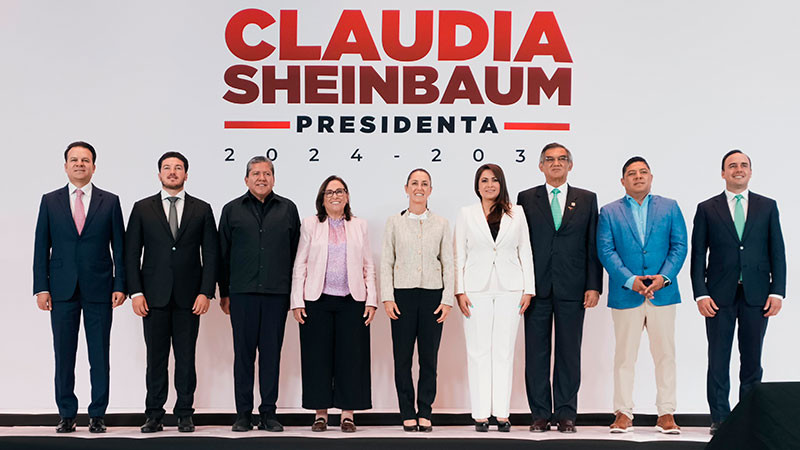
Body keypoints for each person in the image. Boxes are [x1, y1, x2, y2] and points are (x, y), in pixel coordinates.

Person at [690, 150, 785, 435]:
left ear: (750, 171)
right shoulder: (707, 208)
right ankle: (720, 418)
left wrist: (777, 291)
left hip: (758, 295)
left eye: (744, 165)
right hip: (718, 297)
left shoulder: (767, 206)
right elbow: (698, 254)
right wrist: (701, 293)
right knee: (718, 359)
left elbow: (777, 251)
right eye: (732, 166)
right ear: (723, 173)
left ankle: (749, 417)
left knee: (752, 360)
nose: (738, 169)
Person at [33, 141, 126, 433]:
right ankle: (67, 414)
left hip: (100, 287)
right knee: (63, 355)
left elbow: (120, 249)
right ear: (65, 166)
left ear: (94, 167)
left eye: (85, 160)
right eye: (74, 160)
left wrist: (120, 285)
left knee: (99, 354)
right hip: (61, 290)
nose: (79, 164)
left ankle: (97, 414)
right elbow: (41, 247)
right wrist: (41, 287)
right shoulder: (50, 201)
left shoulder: (110, 201)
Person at [125, 151, 218, 433]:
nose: (173, 172)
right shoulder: (142, 208)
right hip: (153, 298)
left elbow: (211, 254)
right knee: (156, 359)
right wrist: (135, 292)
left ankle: (185, 413)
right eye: (167, 167)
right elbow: (131, 254)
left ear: (186, 174)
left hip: (190, 298)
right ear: (159, 174)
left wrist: (206, 292)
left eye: (178, 168)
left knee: (186, 358)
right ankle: (154, 414)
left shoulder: (202, 209)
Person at [597, 156, 687, 434]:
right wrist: (630, 280)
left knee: (665, 355)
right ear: (622, 181)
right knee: (624, 356)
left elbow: (679, 245)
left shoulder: (670, 207)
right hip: (626, 294)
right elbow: (606, 250)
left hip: (663, 293)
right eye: (632, 173)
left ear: (651, 177)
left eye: (643, 172)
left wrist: (664, 278)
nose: (638, 176)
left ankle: (666, 412)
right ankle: (623, 412)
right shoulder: (609, 212)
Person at [516, 143, 603, 433]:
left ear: (570, 165)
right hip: (536, 288)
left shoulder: (587, 199)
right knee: (536, 354)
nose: (556, 163)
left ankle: (566, 413)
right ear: (541, 166)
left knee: (569, 353)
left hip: (573, 287)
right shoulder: (526, 198)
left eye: (562, 159)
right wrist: (523, 285)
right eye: (550, 159)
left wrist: (593, 285)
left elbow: (592, 244)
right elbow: (520, 244)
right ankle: (540, 413)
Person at [218, 156, 300, 432]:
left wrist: (293, 294)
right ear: (246, 179)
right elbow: (222, 254)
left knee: (271, 355)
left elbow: (296, 254)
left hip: (276, 294)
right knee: (243, 355)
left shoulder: (288, 209)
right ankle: (243, 414)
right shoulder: (231, 210)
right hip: (242, 294)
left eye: (266, 173)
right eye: (256, 173)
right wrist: (224, 292)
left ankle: (268, 413)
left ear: (273, 179)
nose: (261, 178)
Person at [290, 175, 377, 433]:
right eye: (329, 192)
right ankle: (320, 414)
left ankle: (347, 415)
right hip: (317, 300)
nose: (335, 196)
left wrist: (371, 300)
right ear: (322, 198)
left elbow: (368, 264)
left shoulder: (359, 225)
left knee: (351, 358)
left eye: (340, 191)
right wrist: (297, 300)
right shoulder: (310, 224)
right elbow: (300, 263)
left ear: (347, 196)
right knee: (317, 358)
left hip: (352, 300)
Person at [455, 163, 535, 432]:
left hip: (511, 288)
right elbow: (459, 254)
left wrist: (528, 289)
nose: (490, 185)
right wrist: (459, 290)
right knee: (478, 351)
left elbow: (525, 250)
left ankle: (501, 413)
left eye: (494, 180)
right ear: (477, 186)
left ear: (501, 184)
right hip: (474, 289)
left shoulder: (517, 212)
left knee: (503, 351)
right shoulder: (466, 214)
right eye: (484, 180)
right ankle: (480, 414)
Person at [380, 168, 454, 432]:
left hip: (433, 295)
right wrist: (387, 297)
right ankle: (407, 411)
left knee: (429, 358)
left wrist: (447, 299)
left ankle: (425, 410)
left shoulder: (442, 223)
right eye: (414, 183)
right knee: (402, 357)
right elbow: (386, 261)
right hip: (402, 295)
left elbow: (448, 263)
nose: (419, 188)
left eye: (424, 184)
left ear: (430, 190)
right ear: (406, 188)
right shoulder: (394, 222)